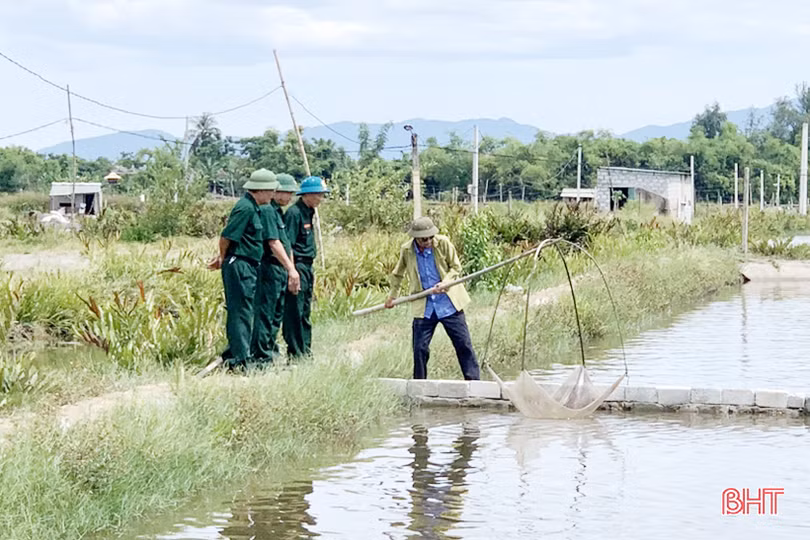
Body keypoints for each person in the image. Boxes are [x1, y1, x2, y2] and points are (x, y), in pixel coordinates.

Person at [385, 217, 480, 380]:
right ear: (416, 238)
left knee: (463, 344)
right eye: (424, 239)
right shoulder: (407, 250)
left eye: (430, 237)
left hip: (449, 304)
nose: (428, 241)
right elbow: (398, 274)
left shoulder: (443, 243)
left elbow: (456, 267)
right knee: (420, 348)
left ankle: (474, 383)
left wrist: (446, 282)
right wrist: (392, 297)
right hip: (425, 307)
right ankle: (420, 385)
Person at [208, 168, 278, 370]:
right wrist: (222, 258)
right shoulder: (245, 208)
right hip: (239, 264)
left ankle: (241, 355)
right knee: (240, 312)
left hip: (248, 265)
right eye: (271, 191)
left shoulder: (254, 207)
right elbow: (226, 237)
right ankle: (239, 360)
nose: (273, 195)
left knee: (246, 311)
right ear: (261, 190)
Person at [250, 172, 301, 365]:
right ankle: (261, 356)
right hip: (269, 268)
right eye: (286, 192)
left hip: (280, 270)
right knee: (265, 313)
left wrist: (290, 269)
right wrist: (291, 269)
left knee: (275, 314)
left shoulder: (278, 213)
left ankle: (270, 350)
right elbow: (273, 243)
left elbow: (286, 243)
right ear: (276, 191)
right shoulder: (268, 211)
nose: (289, 198)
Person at [282, 176, 330, 359]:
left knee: (305, 311)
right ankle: (295, 352)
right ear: (308, 195)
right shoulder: (294, 214)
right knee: (295, 310)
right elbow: (289, 246)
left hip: (307, 266)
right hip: (298, 265)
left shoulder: (309, 212)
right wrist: (292, 272)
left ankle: (305, 350)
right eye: (319, 195)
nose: (321, 199)